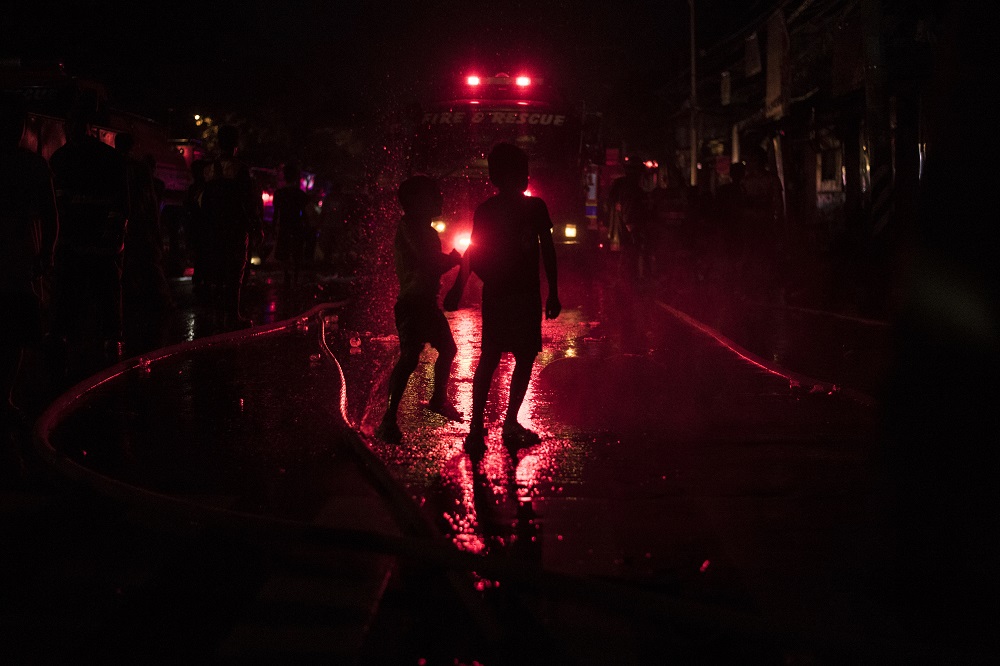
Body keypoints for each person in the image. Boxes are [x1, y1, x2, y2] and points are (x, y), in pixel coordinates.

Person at [457, 142, 560, 453]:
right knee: (521, 357)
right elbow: (548, 252)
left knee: (494, 357)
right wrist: (553, 291)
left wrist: (457, 288)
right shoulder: (534, 207)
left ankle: (479, 427)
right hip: (521, 295)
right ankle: (508, 423)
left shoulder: (488, 209)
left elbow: (473, 254)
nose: (526, 178)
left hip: (503, 293)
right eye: (522, 172)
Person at [374, 175, 464, 444]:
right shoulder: (410, 227)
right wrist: (454, 260)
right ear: (415, 202)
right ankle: (388, 419)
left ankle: (438, 399)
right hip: (412, 304)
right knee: (410, 357)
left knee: (447, 349)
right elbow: (428, 261)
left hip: (425, 303)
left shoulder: (425, 229)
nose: (440, 199)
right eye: (433, 195)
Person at [49, 90, 130, 381]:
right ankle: (108, 340)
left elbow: (119, 203)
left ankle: (73, 340)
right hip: (89, 241)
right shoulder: (107, 158)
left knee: (78, 292)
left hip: (80, 240)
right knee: (99, 291)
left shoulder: (62, 159)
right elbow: (121, 203)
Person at [1, 92, 59, 477]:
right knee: (14, 337)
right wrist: (45, 260)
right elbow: (52, 218)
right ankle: (6, 400)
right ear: (22, 127)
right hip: (18, 265)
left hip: (18, 263)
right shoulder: (33, 166)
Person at [199, 124, 263, 329]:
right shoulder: (239, 169)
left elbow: (204, 201)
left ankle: (216, 314)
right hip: (235, 227)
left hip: (213, 227)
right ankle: (233, 314)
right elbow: (247, 202)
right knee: (235, 272)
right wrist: (256, 226)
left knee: (217, 270)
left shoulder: (208, 169)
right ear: (236, 145)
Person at [115, 133, 173, 353]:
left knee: (121, 268)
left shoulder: (110, 165)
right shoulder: (140, 170)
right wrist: (154, 229)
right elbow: (149, 202)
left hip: (118, 222)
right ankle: (156, 306)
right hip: (138, 224)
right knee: (146, 264)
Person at [272, 162, 310, 287]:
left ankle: (287, 274)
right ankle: (294, 277)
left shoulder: (279, 194)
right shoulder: (300, 194)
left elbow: (276, 213)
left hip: (284, 225)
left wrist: (273, 228)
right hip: (296, 225)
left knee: (284, 252)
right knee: (296, 252)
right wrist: (308, 226)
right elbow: (304, 213)